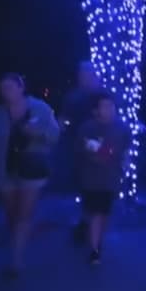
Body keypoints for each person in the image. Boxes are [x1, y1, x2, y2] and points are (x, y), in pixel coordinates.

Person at [0, 73, 60, 277]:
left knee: (24, 213)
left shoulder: (40, 108)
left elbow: (54, 135)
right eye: (2, 88)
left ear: (21, 87)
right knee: (11, 213)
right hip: (4, 169)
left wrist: (38, 134)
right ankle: (18, 241)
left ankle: (16, 260)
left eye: (9, 87)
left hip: (32, 168)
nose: (6, 92)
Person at [76, 90, 131, 265]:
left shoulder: (122, 128)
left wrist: (124, 163)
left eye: (110, 106)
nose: (108, 109)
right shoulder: (88, 127)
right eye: (104, 106)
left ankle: (96, 240)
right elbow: (85, 149)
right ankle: (95, 249)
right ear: (96, 109)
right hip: (91, 178)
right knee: (95, 213)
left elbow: (126, 150)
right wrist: (100, 154)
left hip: (111, 179)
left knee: (104, 213)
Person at [60, 60, 102, 242]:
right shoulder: (73, 97)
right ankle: (87, 222)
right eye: (82, 73)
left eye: (88, 73)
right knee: (84, 185)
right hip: (78, 147)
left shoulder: (101, 95)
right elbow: (64, 120)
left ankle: (91, 224)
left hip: (97, 145)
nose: (84, 77)